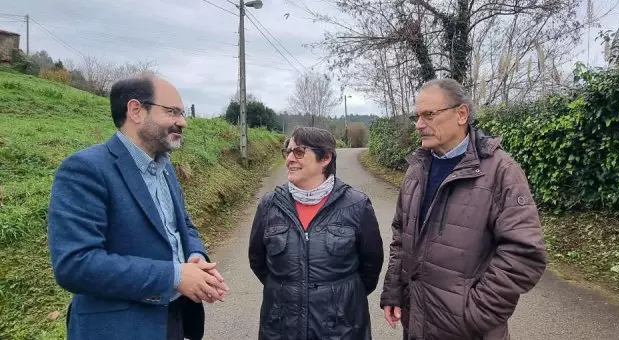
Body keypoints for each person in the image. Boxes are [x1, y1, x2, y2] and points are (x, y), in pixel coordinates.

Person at [47, 73, 229, 340]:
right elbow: (75, 264)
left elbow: (182, 226)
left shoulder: (165, 168)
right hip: (120, 329)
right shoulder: (86, 169)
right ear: (136, 111)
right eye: (172, 112)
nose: (183, 121)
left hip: (174, 321)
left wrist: (195, 256)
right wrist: (175, 276)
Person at [380, 78, 547, 340]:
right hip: (417, 325)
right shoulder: (417, 169)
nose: (419, 124)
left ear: (461, 114)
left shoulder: (500, 171)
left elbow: (525, 253)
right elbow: (401, 235)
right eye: (417, 116)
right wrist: (394, 290)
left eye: (429, 115)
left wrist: (474, 314)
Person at [248, 126, 384, 340]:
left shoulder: (357, 205)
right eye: (288, 151)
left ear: (325, 158)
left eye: (299, 152)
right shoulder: (269, 205)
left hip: (341, 330)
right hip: (281, 329)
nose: (290, 159)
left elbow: (370, 267)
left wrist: (339, 299)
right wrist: (290, 290)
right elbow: (258, 262)